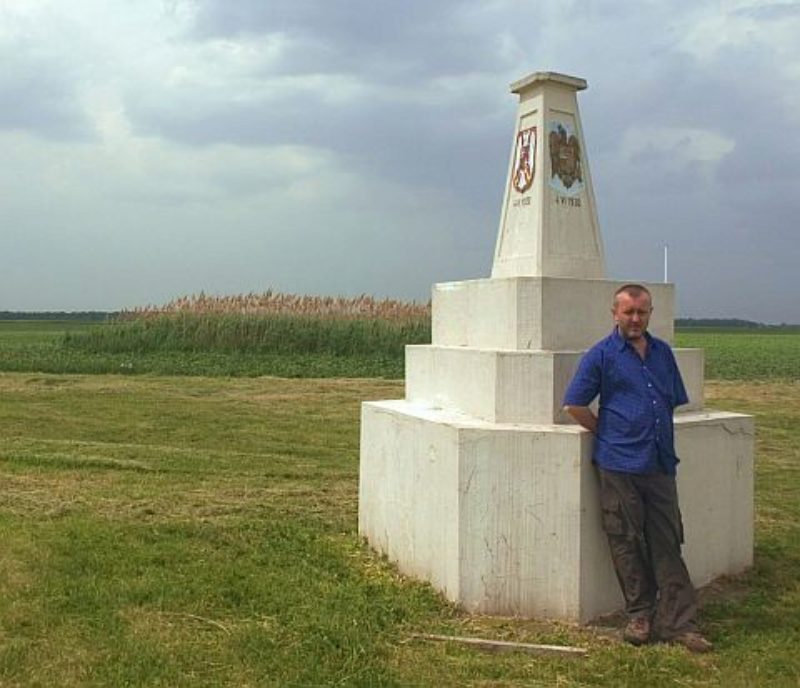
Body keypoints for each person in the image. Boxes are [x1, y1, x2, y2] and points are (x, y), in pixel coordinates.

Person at [562, 283, 712, 653]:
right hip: (618, 464)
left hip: (659, 462)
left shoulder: (662, 353)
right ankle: (640, 615)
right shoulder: (601, 355)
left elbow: (670, 399)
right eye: (628, 312)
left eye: (641, 312)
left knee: (667, 540)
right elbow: (575, 404)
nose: (635, 318)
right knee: (626, 539)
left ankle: (679, 622)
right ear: (614, 314)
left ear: (650, 314)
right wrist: (608, 431)